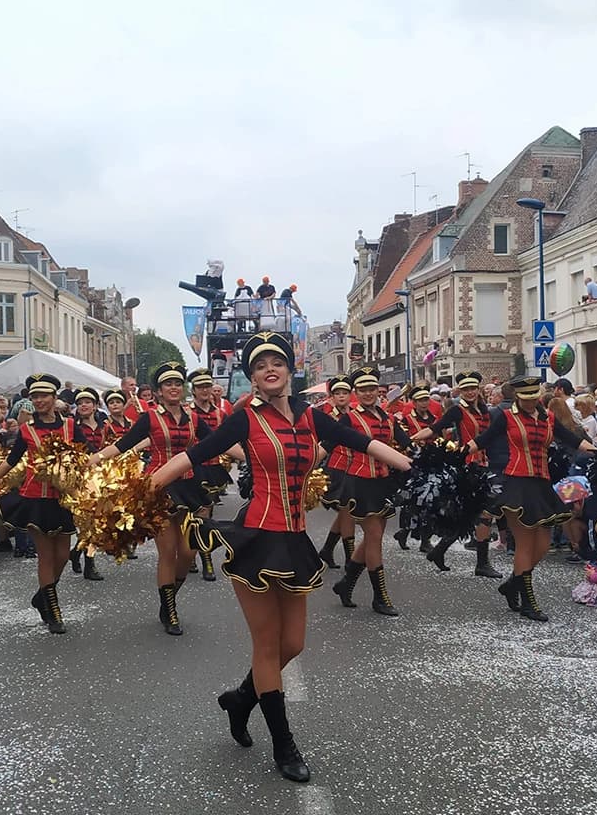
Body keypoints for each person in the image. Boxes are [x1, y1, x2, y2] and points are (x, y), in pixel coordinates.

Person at [152, 332, 410, 783]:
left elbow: (360, 441)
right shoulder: (242, 419)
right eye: (259, 364)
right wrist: (145, 486)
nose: (269, 368)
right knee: (268, 645)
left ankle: (239, 698)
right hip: (253, 536)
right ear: (252, 377)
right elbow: (193, 455)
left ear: (290, 370)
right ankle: (283, 744)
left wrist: (410, 465)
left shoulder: (313, 418)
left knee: (294, 645)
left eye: (277, 361)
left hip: (293, 540)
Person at [91, 363, 212, 635]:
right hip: (159, 487)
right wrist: (92, 460)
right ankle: (169, 609)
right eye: (167, 384)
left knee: (190, 551)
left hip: (190, 487)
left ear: (183, 389)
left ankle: (170, 596)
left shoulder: (194, 418)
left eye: (178, 383)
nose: (173, 387)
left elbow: (220, 442)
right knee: (168, 552)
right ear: (158, 391)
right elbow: (123, 444)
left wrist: (255, 456)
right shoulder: (150, 418)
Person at [470, 376, 595, 621]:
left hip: (542, 485)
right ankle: (528, 602)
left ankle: (512, 585)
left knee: (542, 545)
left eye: (533, 398)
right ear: (517, 397)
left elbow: (571, 439)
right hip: (516, 483)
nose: (530, 403)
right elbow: (483, 440)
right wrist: (458, 450)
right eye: (525, 399)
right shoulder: (505, 417)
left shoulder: (548, 417)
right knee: (526, 544)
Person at [0, 374, 91, 635]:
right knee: (46, 556)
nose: (39, 400)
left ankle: (42, 596)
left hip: (64, 499)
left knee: (63, 555)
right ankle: (53, 609)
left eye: (44, 395)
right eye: (35, 396)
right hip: (34, 498)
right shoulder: (26, 430)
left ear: (54, 398)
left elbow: (86, 456)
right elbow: (12, 460)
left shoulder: (70, 425)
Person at [327, 366, 413, 617]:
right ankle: (380, 596)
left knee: (373, 536)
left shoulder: (387, 417)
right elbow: (328, 443)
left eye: (371, 389)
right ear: (356, 392)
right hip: (358, 481)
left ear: (379, 390)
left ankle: (346, 583)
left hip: (382, 481)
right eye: (362, 389)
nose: (367, 393)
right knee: (374, 536)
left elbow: (406, 443)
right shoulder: (349, 418)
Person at [411, 371, 499, 577]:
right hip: (467, 466)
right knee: (481, 514)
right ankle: (481, 563)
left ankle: (441, 551)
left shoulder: (487, 410)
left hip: (486, 465)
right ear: (460, 390)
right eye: (466, 389)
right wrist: (412, 439)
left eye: (473, 388)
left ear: (478, 389)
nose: (470, 392)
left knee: (472, 515)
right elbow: (435, 428)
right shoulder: (457, 411)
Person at [188, 370, 230, 581]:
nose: (205, 390)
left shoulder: (220, 413)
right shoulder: (187, 413)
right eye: (200, 387)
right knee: (193, 515)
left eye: (207, 386)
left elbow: (227, 438)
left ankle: (202, 556)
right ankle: (196, 556)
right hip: (192, 468)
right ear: (193, 390)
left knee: (205, 515)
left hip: (213, 467)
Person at [316, 375, 357, 569]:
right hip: (337, 466)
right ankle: (351, 558)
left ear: (350, 395)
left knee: (345, 512)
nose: (341, 397)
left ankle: (327, 549)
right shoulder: (324, 414)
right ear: (332, 396)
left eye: (345, 393)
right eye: (337, 393)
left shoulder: (357, 413)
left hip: (357, 465)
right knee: (347, 511)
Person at [391, 386, 439, 551]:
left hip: (433, 463)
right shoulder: (406, 420)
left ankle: (426, 540)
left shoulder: (435, 419)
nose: (424, 403)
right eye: (420, 400)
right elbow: (401, 441)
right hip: (414, 463)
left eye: (426, 399)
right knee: (412, 500)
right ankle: (405, 531)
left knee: (431, 501)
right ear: (414, 402)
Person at [67, 388, 106, 582]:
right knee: (88, 521)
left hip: (104, 476)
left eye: (88, 401)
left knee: (98, 520)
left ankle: (76, 551)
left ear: (95, 405)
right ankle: (89, 564)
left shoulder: (105, 425)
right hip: (80, 479)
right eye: (80, 402)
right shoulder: (71, 427)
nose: (84, 405)